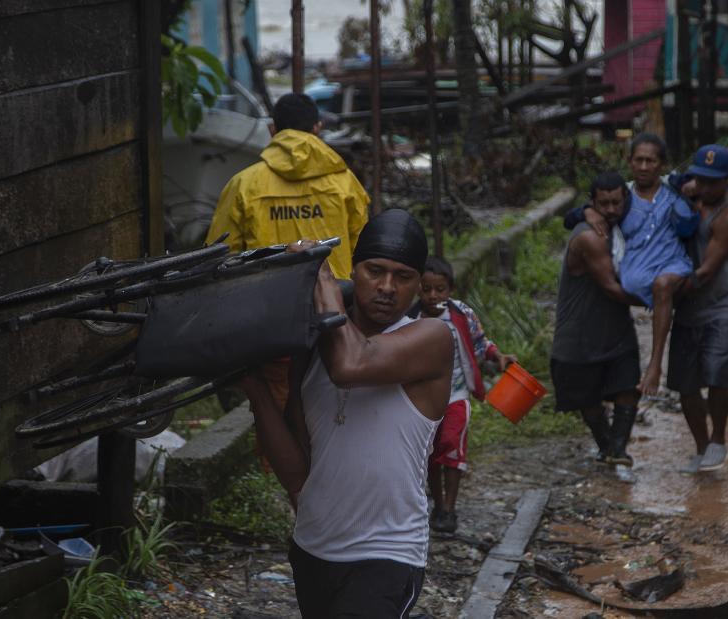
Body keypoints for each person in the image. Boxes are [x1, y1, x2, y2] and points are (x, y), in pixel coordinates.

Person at [239, 209, 454, 617]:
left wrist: (319, 276)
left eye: (403, 276)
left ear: (419, 285)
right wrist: (255, 389)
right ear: (354, 270)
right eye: (375, 270)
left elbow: (350, 367)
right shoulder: (315, 347)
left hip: (387, 554)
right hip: (312, 549)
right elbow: (298, 474)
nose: (387, 287)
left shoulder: (431, 339)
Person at [206, 92, 370, 444]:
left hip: (270, 322)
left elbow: (219, 257)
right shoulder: (344, 182)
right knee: (337, 410)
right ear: (318, 128)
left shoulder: (243, 184)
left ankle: (296, 489)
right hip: (335, 314)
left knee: (282, 414)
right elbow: (364, 250)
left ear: (272, 130)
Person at [566, 133, 699, 396]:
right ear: (630, 162)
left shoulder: (674, 191)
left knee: (663, 285)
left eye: (650, 161)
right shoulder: (622, 196)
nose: (643, 167)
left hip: (673, 263)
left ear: (661, 164)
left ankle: (655, 366)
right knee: (652, 290)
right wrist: (586, 211)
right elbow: (573, 216)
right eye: (638, 160)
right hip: (637, 271)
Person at [407, 256, 516, 533]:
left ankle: (449, 508)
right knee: (429, 453)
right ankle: (437, 503)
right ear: (418, 288)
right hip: (423, 400)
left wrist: (498, 356)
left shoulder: (461, 315)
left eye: (439, 290)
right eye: (427, 289)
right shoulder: (410, 319)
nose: (433, 296)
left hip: (456, 395)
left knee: (453, 448)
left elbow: (480, 341)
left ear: (450, 289)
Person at [552, 172, 645, 466]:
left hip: (614, 328)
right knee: (587, 399)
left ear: (625, 200)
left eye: (617, 202)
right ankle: (607, 445)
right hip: (579, 333)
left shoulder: (621, 224)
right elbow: (612, 288)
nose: (611, 209)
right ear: (593, 203)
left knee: (628, 386)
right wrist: (660, 297)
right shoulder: (591, 236)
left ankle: (616, 449)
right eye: (603, 204)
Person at [671, 145, 728, 474]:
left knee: (717, 374)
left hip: (722, 304)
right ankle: (701, 447)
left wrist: (658, 294)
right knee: (685, 383)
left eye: (711, 182)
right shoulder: (691, 194)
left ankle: (718, 438)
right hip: (689, 307)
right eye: (699, 180)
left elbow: (706, 270)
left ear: (727, 180)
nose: (704, 188)